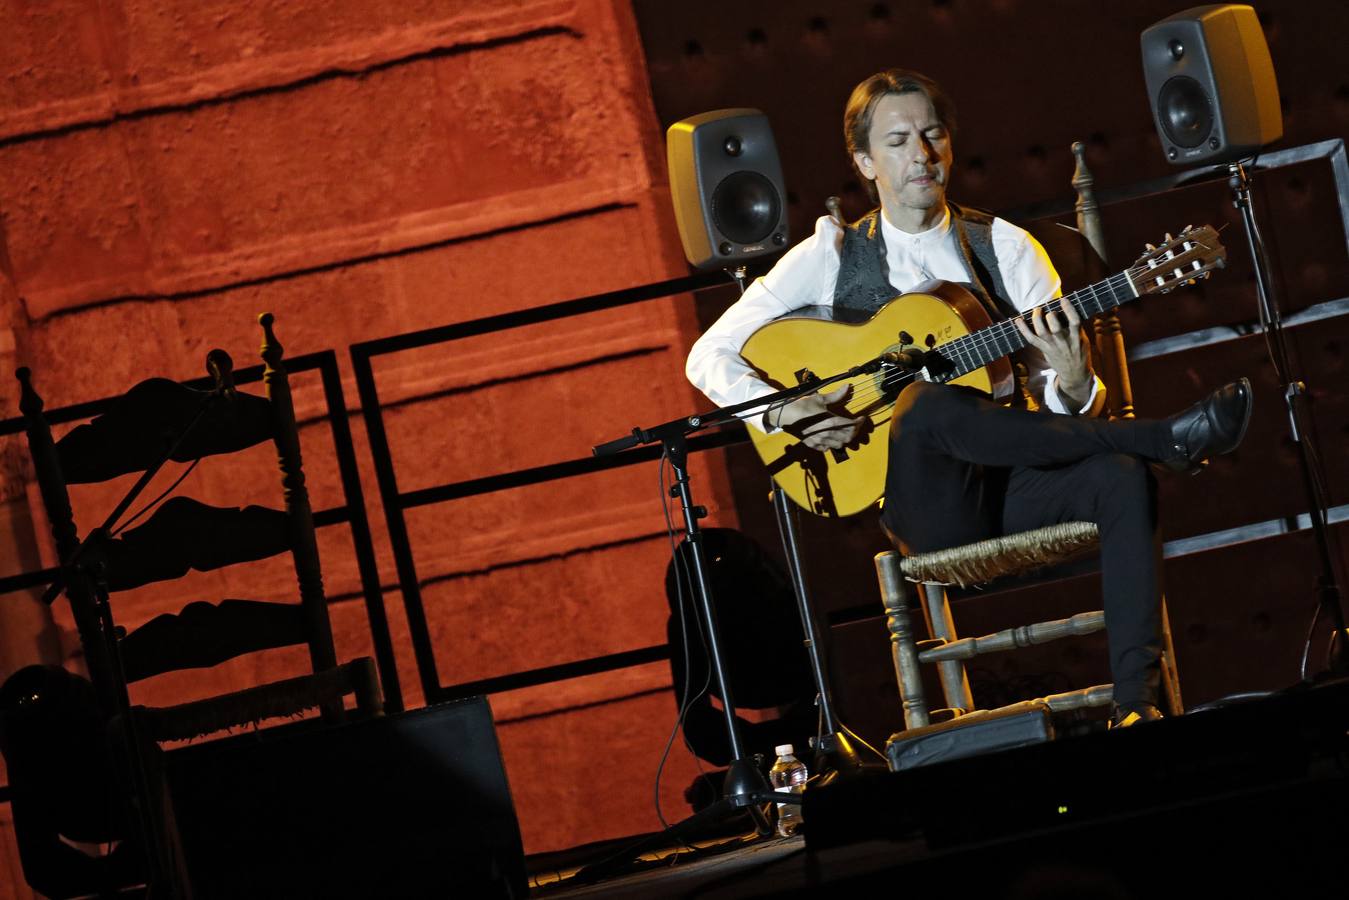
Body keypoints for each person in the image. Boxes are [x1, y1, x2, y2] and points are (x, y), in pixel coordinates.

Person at [685, 69, 1252, 726]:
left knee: (1121, 479)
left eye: (932, 135)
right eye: (898, 141)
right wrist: (782, 409)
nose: (921, 156)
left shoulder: (1004, 248)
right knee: (924, 404)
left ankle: (1135, 710)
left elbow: (1058, 411)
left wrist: (1071, 383)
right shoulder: (831, 254)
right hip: (929, 509)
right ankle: (1161, 439)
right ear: (865, 162)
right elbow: (708, 356)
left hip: (1013, 489)